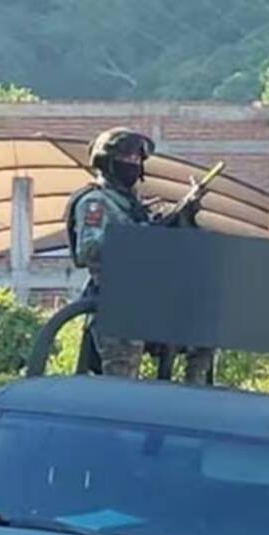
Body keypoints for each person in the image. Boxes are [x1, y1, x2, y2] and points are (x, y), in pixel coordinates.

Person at [65, 127, 212, 383]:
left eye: (137, 160)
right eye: (127, 159)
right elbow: (88, 249)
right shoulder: (96, 202)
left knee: (203, 337)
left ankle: (194, 399)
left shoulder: (133, 204)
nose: (133, 164)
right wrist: (141, 233)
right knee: (121, 381)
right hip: (116, 299)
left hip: (153, 295)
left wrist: (181, 216)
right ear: (108, 162)